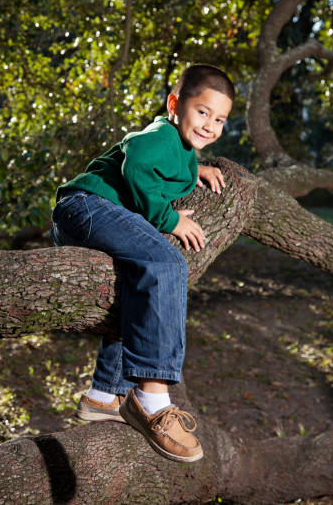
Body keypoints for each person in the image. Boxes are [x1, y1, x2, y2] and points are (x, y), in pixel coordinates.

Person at [50, 63, 235, 463]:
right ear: (174, 104)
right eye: (202, 112)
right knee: (167, 263)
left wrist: (196, 171)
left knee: (136, 288)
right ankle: (151, 397)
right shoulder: (160, 134)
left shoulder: (182, 150)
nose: (210, 126)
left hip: (90, 213)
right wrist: (169, 220)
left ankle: (104, 394)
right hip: (86, 206)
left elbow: (169, 167)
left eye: (220, 119)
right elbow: (136, 161)